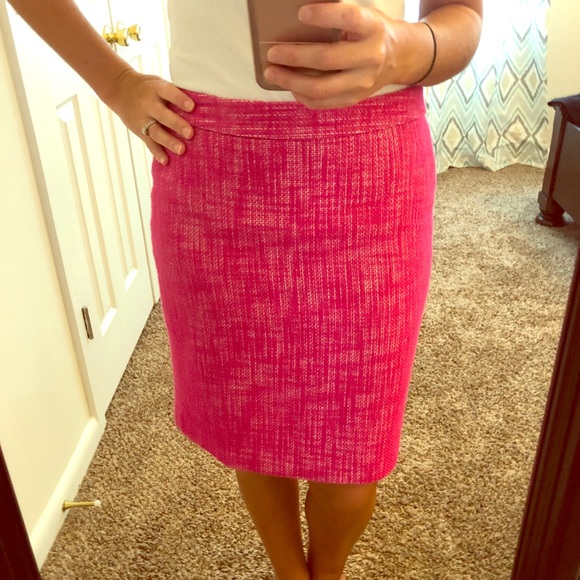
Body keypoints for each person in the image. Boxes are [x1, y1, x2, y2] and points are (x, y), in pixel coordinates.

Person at [8, 1, 482, 578]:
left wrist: (399, 51)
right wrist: (117, 83)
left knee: (355, 461)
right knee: (253, 422)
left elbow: (462, 17)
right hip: (213, 166)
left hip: (372, 167)